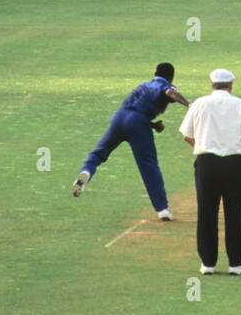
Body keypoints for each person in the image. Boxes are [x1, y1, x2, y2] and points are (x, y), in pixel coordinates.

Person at [73, 63, 191, 220]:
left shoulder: (143, 85)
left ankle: (87, 171)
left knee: (99, 153)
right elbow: (169, 92)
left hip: (119, 118)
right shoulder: (163, 85)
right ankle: (162, 209)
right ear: (170, 77)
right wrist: (189, 105)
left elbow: (135, 109)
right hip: (138, 123)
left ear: (154, 73)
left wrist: (153, 125)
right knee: (148, 166)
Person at [178, 68, 241, 276]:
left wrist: (202, 146)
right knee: (234, 213)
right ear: (231, 85)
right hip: (234, 164)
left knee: (206, 212)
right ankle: (236, 264)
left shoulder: (198, 104)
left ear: (211, 84)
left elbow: (186, 135)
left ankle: (207, 264)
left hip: (206, 164)